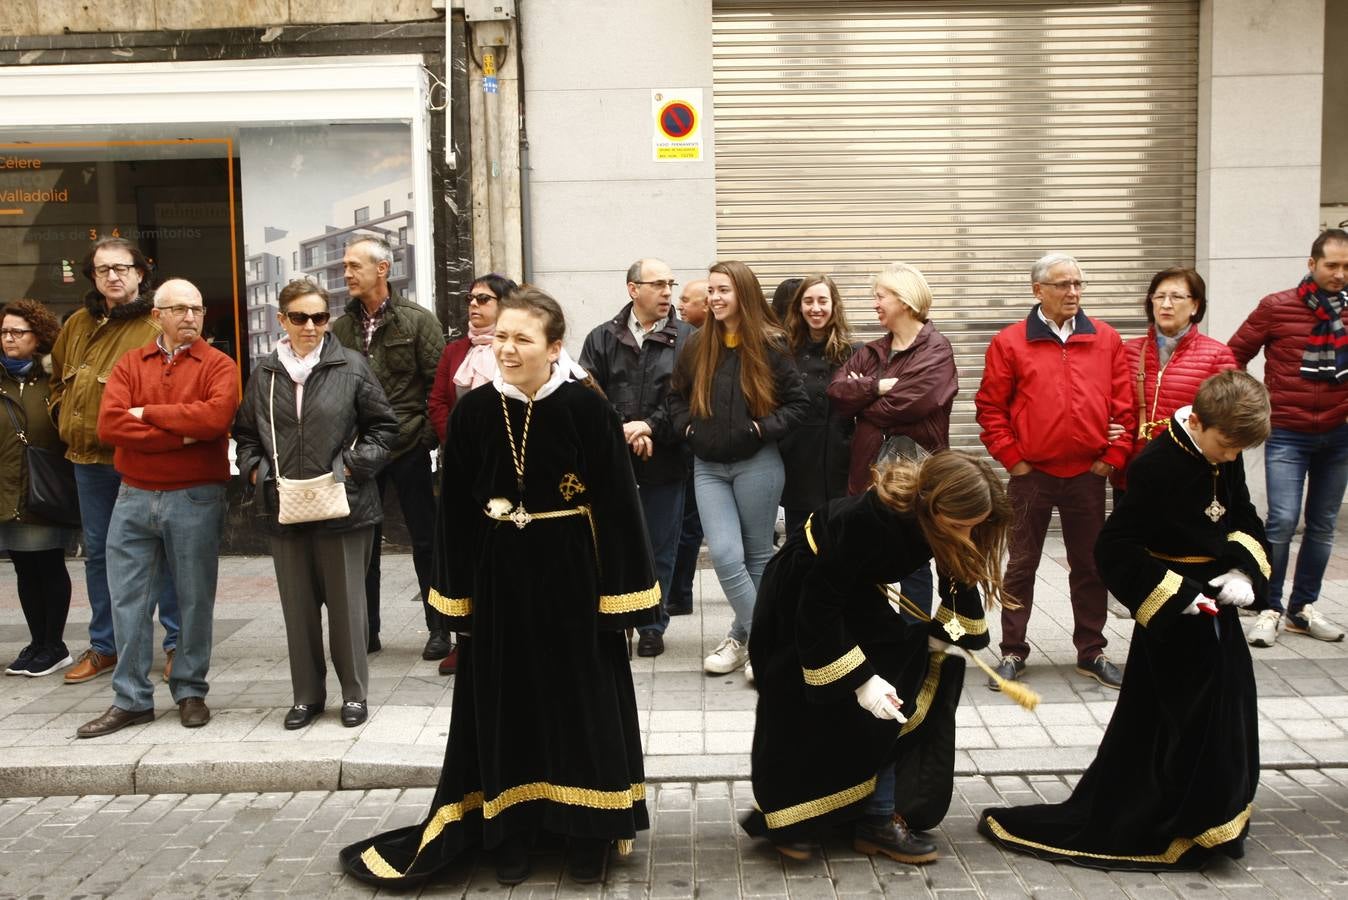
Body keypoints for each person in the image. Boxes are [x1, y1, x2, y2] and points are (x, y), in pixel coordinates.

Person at [339, 287, 659, 888]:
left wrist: (624, 599)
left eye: (522, 339)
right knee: (504, 705)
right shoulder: (475, 411)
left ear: (554, 346)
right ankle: (511, 831)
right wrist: (453, 597)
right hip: (500, 583)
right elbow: (454, 511)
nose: (507, 349)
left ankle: (586, 832)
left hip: (571, 581)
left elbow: (619, 508)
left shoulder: (588, 410)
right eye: (501, 337)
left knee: (579, 704)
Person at [979, 370, 1272, 871]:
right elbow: (1115, 548)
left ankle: (1216, 820)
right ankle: (1178, 819)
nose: (1230, 456)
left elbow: (1241, 516)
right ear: (1197, 421)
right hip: (1175, 618)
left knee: (1228, 714)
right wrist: (1179, 595)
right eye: (1225, 445)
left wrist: (1244, 572)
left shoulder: (1227, 448)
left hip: (1218, 607)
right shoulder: (1157, 465)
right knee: (1178, 726)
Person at [743, 451, 1010, 864]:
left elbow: (958, 586)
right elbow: (818, 606)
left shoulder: (947, 521)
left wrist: (945, 640)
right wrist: (864, 681)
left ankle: (873, 817)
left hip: (849, 596)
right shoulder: (865, 521)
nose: (965, 536)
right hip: (799, 598)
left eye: (971, 528)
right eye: (959, 527)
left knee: (901, 682)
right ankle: (800, 819)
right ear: (932, 505)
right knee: (803, 709)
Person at [76, 280, 239, 737]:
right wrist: (181, 432)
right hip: (132, 496)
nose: (190, 317)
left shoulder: (219, 365)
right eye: (179, 309)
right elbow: (110, 425)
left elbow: (214, 420)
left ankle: (190, 691)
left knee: (192, 599)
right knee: (127, 600)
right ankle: (130, 699)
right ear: (157, 315)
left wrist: (145, 414)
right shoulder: (129, 363)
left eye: (197, 309)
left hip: (195, 496)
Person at [234, 280, 398, 730]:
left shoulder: (352, 365)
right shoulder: (265, 373)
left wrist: (352, 467)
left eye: (320, 317)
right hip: (284, 504)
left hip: (345, 505)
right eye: (300, 317)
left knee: (348, 607)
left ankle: (353, 695)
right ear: (281, 320)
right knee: (298, 608)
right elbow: (245, 433)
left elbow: (385, 428)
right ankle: (306, 696)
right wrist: (257, 473)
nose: (311, 326)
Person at [974, 253, 1134, 690]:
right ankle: (1012, 651)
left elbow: (1125, 406)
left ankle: (1092, 651)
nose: (1074, 293)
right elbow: (990, 408)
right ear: (1037, 290)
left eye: (1079, 284)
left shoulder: (1106, 338)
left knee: (1089, 565)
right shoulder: (1010, 342)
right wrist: (1014, 459)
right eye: (1063, 285)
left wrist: (1112, 457)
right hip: (1032, 477)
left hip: (1087, 474)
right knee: (1021, 565)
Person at [49, 237, 180, 684]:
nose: (113, 277)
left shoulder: (154, 324)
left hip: (136, 458)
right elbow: (58, 383)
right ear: (93, 277)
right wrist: (61, 415)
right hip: (87, 459)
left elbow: (172, 388)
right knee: (99, 555)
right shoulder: (77, 325)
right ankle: (106, 646)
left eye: (122, 268)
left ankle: (177, 644)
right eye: (103, 270)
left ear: (141, 273)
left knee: (160, 550)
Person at [670, 260, 808, 680]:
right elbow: (675, 397)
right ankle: (771, 642)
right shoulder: (696, 345)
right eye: (711, 291)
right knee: (727, 556)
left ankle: (741, 640)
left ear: (743, 294)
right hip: (709, 467)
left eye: (723, 290)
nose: (714, 298)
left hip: (757, 465)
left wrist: (758, 428)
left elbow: (798, 404)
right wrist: (688, 429)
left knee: (758, 559)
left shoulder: (771, 344)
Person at [1228, 228, 1348, 646]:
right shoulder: (1277, 307)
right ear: (1312, 264)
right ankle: (1268, 606)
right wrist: (1257, 404)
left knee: (1323, 525)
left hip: (1339, 434)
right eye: (1331, 265)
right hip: (1287, 435)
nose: (1339, 274)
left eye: (1346, 267)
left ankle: (1302, 608)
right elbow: (1235, 353)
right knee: (1281, 522)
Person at [331, 236, 447, 660]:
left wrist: (425, 440)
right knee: (363, 543)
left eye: (354, 266)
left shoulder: (417, 321)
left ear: (382, 269)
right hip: (361, 454)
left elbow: (438, 383)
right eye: (345, 266)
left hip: (408, 446)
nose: (346, 274)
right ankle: (366, 631)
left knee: (426, 542)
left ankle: (440, 629)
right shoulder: (340, 328)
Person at [580, 258, 694, 657]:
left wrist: (649, 427)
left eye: (670, 283)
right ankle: (616, 617)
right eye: (658, 284)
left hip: (666, 458)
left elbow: (688, 398)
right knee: (611, 541)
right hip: (613, 460)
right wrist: (624, 430)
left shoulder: (690, 339)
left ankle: (651, 623)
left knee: (660, 545)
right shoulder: (601, 338)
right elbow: (588, 394)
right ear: (633, 289)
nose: (667, 292)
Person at [828, 263, 957, 613]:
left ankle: (912, 643)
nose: (875, 303)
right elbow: (838, 394)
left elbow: (912, 404)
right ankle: (876, 640)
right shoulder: (870, 352)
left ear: (904, 300)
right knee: (866, 558)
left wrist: (864, 401)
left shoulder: (937, 351)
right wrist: (875, 387)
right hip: (867, 472)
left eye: (880, 296)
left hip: (915, 474)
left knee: (912, 559)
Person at [425, 272, 516, 674]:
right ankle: (466, 641)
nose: (474, 306)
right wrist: (460, 447)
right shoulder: (454, 351)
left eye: (484, 298)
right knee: (463, 557)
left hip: (506, 469)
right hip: (463, 472)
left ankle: (506, 635)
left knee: (502, 557)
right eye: (471, 298)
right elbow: (438, 403)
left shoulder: (513, 349)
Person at [1, 300, 75, 678]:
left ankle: (55, 644)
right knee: (24, 569)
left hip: (44, 486)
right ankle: (36, 642)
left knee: (48, 564)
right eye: (4, 332)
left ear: (39, 337)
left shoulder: (52, 379)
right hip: (6, 488)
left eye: (18, 332)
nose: (9, 339)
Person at [1116, 267, 1236, 491]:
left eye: (1177, 297)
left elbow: (1225, 419)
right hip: (1134, 471)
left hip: (1188, 474)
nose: (1166, 304)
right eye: (1159, 296)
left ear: (1195, 305)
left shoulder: (1218, 355)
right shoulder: (1128, 351)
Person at [778, 274, 855, 537]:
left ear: (834, 305)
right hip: (798, 461)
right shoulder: (785, 352)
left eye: (823, 300)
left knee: (839, 543)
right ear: (799, 306)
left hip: (839, 461)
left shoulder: (853, 352)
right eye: (808, 301)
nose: (815, 308)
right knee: (800, 544)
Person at [668, 278, 709, 616]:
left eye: (686, 299)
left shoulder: (697, 342)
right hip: (688, 445)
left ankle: (679, 593)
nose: (679, 304)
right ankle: (679, 593)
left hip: (703, 451)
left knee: (689, 524)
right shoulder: (686, 339)